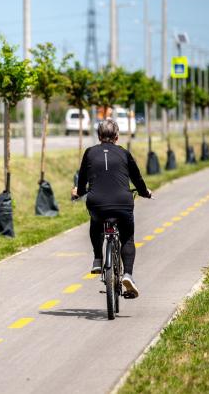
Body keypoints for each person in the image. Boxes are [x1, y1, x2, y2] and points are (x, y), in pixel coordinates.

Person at [71, 118, 151, 298]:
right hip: (123, 202)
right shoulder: (124, 153)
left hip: (97, 202)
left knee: (96, 223)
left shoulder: (90, 153)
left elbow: (82, 180)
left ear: (99, 136)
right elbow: (137, 179)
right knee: (127, 237)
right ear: (117, 136)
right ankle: (128, 274)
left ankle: (98, 259)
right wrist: (145, 192)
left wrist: (78, 192)